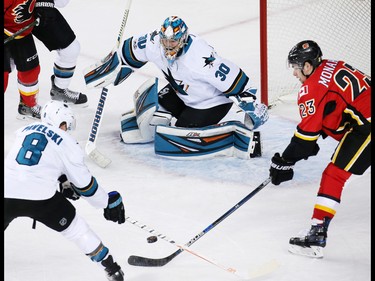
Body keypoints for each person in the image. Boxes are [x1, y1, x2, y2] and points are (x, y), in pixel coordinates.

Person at [269, 40, 371, 258]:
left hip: (367, 126)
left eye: (296, 68)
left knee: (334, 175)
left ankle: (316, 235)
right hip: (364, 119)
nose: (294, 74)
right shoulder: (333, 65)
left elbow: (305, 139)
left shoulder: (311, 89)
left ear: (307, 66)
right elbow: (340, 104)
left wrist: (284, 161)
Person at [4, 100, 125, 281]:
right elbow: (86, 186)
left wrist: (63, 181)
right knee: (76, 229)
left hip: (7, 190)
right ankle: (112, 269)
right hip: (41, 198)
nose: (66, 129)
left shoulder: (25, 131)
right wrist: (106, 201)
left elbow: (31, 165)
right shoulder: (66, 141)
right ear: (61, 121)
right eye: (65, 125)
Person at [86, 15, 268, 134]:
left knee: (179, 133)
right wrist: (112, 67)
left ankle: (227, 127)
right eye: (165, 40)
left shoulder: (200, 58)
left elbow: (237, 81)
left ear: (183, 39)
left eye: (173, 42)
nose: (168, 46)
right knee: (149, 118)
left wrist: (252, 106)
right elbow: (130, 48)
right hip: (182, 93)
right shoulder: (155, 42)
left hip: (209, 103)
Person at [32, 0, 88, 106]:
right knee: (12, 56)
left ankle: (60, 89)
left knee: (71, 49)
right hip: (25, 8)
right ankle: (59, 89)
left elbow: (61, 2)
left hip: (37, 7)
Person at [4, 0, 42, 119]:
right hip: (5, 32)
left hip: (23, 32)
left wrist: (43, 9)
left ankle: (28, 105)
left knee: (31, 70)